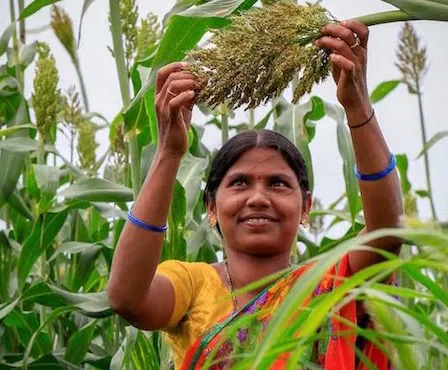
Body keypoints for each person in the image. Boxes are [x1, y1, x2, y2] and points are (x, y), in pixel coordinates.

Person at [108, 19, 403, 369]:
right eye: (240, 183)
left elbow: (387, 231)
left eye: (278, 183)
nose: (258, 197)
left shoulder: (327, 284)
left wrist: (357, 105)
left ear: (305, 205)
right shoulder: (193, 284)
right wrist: (168, 153)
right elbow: (128, 297)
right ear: (211, 207)